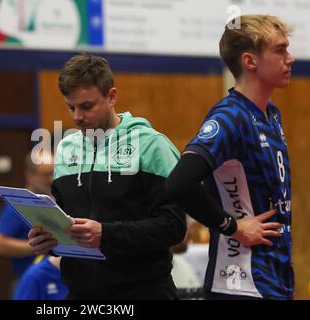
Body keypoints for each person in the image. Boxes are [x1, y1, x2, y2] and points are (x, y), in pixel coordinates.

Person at [28, 53, 187, 299]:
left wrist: (106, 233)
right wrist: (50, 242)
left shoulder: (152, 146)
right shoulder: (66, 149)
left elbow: (174, 227)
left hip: (144, 292)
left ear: (111, 97)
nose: (77, 116)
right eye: (71, 107)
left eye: (87, 106)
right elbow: (65, 225)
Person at [165, 15, 294, 299]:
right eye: (280, 50)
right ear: (251, 61)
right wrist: (233, 227)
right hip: (240, 283)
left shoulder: (271, 114)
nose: (290, 58)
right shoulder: (229, 118)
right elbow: (179, 183)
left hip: (274, 276)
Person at [0, 152, 54, 294]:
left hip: (54, 281)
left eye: (54, 173)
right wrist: (40, 246)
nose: (52, 179)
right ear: (30, 175)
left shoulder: (55, 200)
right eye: (46, 174)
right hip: (27, 282)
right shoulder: (19, 203)